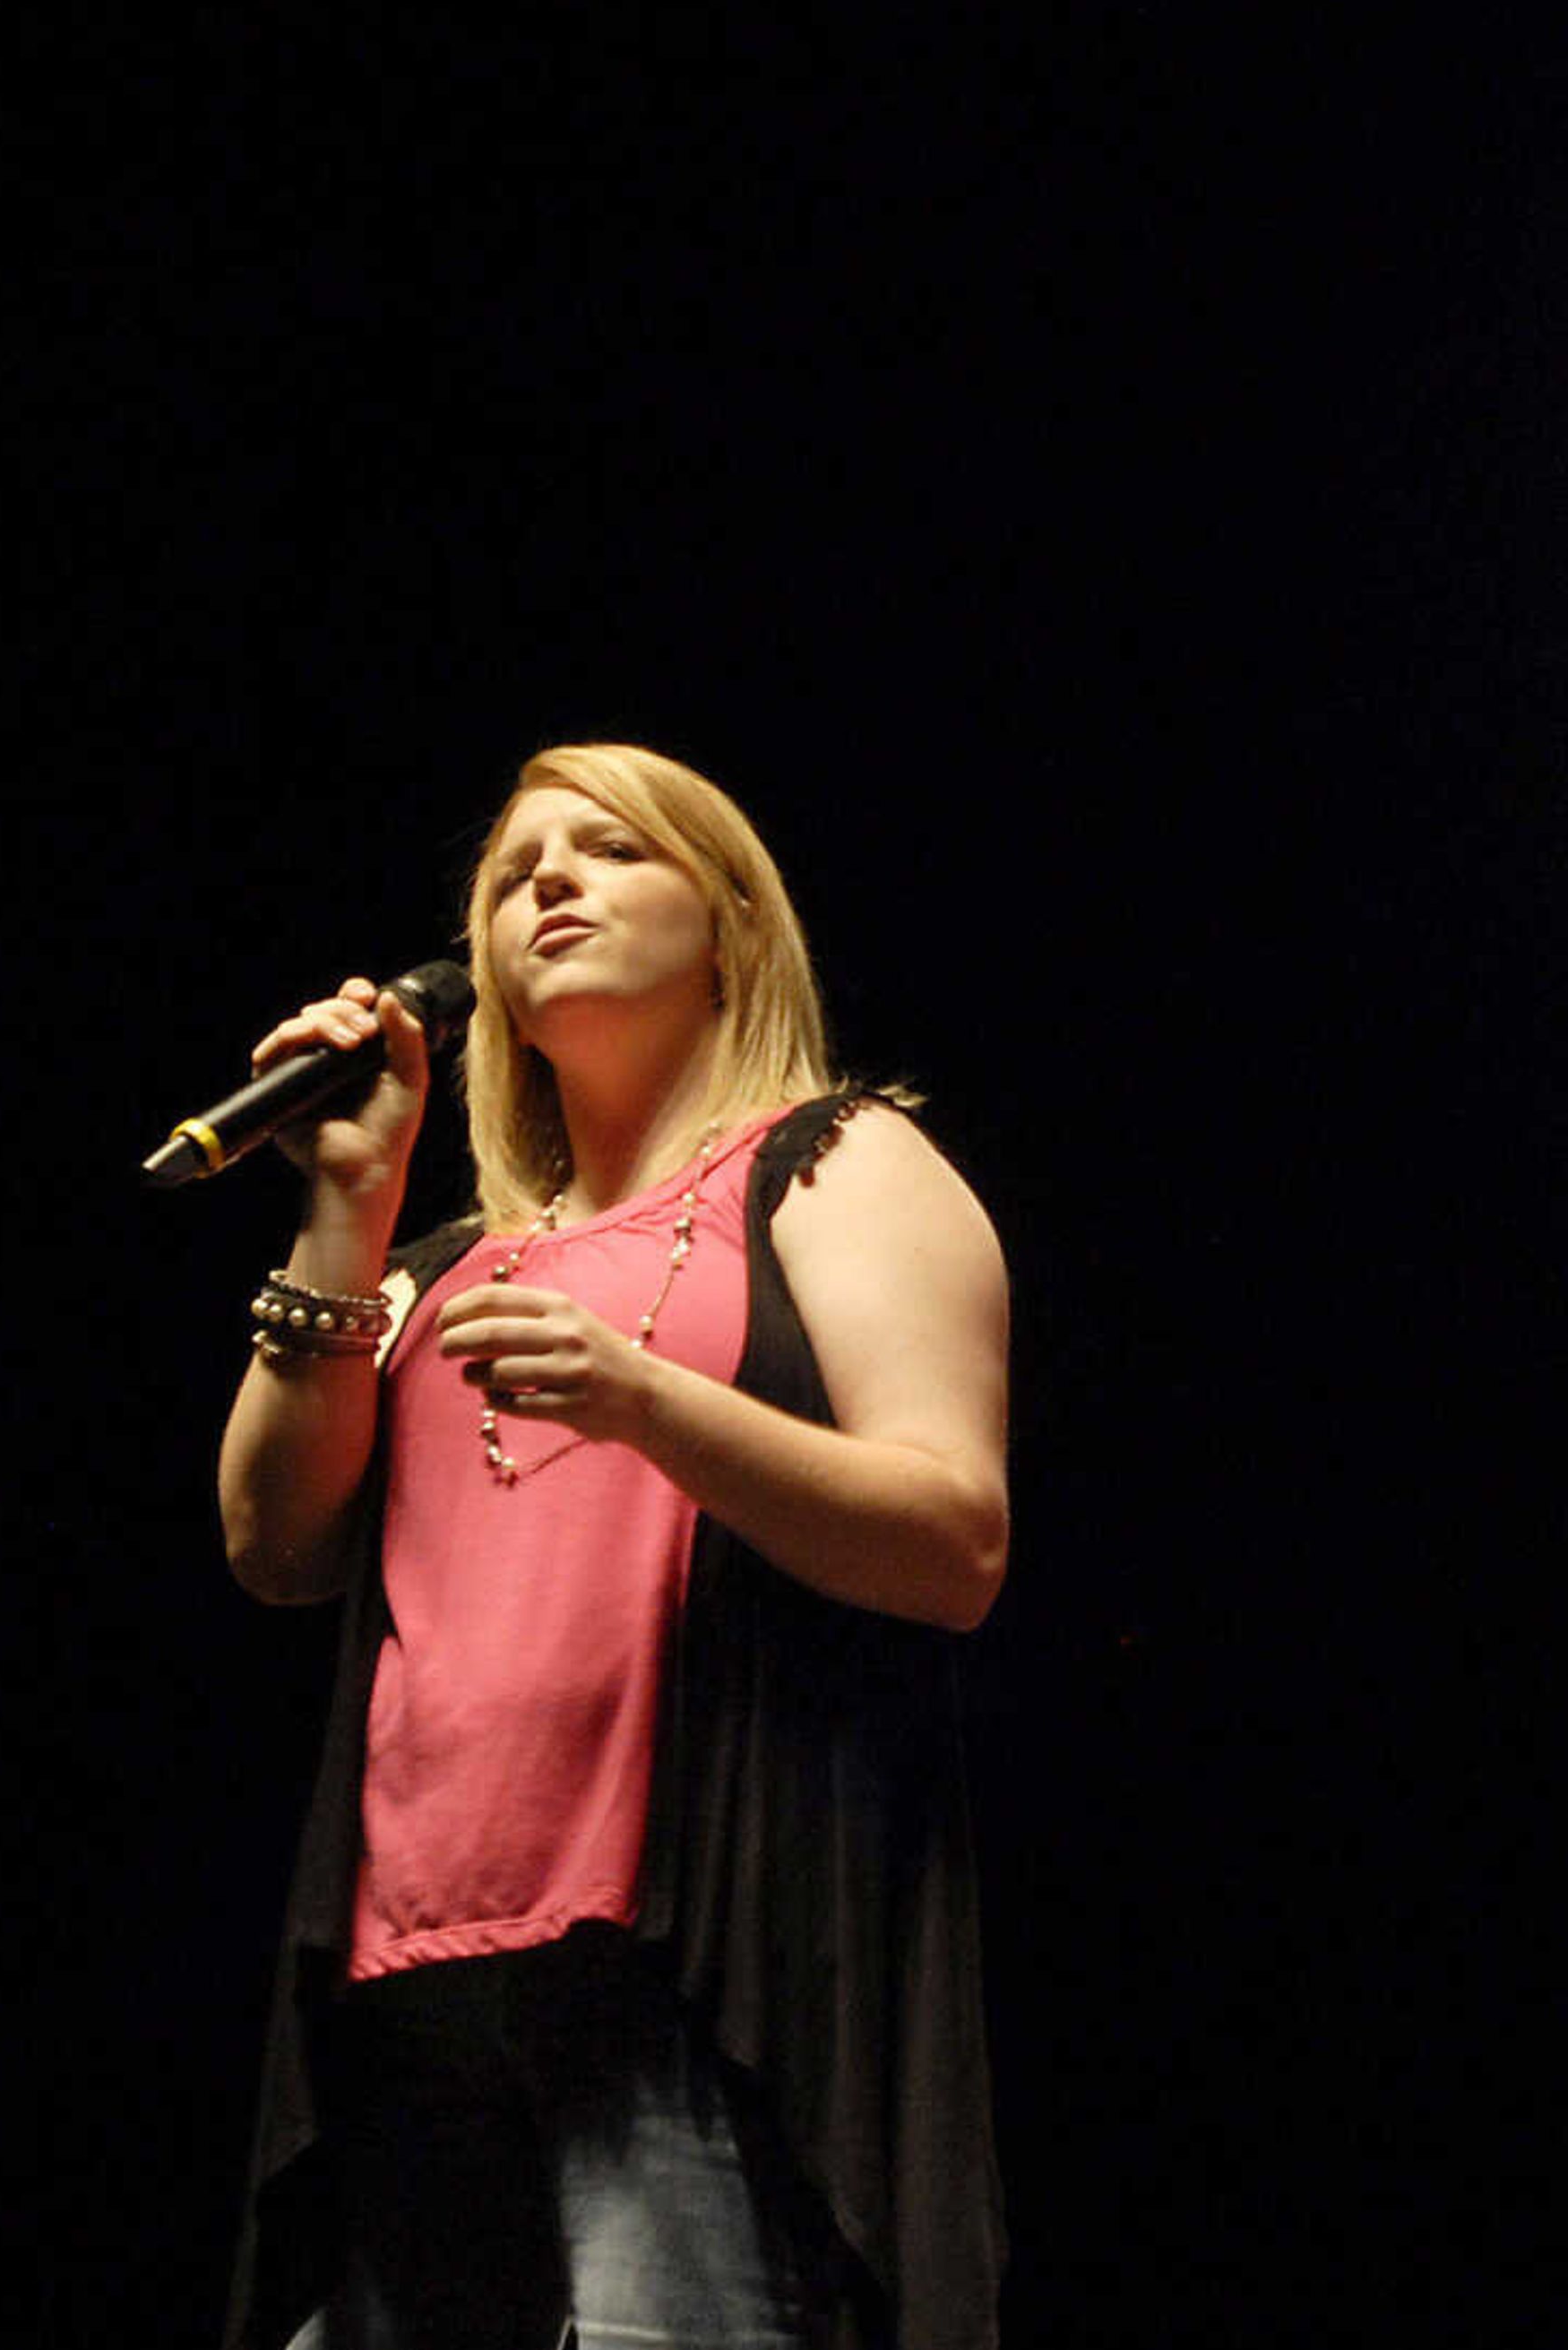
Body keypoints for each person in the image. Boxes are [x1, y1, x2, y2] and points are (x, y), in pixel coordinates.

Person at [216, 744, 1011, 2349]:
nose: (547, 885)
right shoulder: (441, 1267)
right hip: (411, 1979)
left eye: (607, 851)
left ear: (725, 921)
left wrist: (651, 1400)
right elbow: (274, 1542)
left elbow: (952, 1536)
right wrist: (343, 1214)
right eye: (514, 874)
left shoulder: (834, 1164)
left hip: (678, 1984)